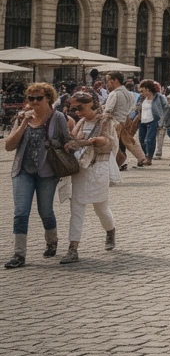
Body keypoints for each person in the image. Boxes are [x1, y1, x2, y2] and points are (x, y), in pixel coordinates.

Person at [5, 83, 70, 268]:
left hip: (47, 172)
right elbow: (9, 146)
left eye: (38, 98)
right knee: (20, 212)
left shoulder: (57, 118)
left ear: (48, 98)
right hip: (22, 171)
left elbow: (67, 141)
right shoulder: (22, 118)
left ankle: (52, 240)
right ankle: (19, 255)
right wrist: (24, 122)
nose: (34, 102)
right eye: (30, 98)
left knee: (45, 211)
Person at [57, 92, 118, 263]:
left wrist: (90, 141)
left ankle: (110, 230)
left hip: (98, 167)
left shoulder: (105, 121)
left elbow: (108, 142)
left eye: (80, 108)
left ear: (92, 104)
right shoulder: (81, 122)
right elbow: (73, 138)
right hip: (80, 168)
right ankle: (73, 247)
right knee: (76, 208)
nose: (77, 112)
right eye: (74, 108)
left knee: (101, 208)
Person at [103, 73, 148, 169]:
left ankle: (120, 163)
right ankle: (139, 158)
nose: (107, 84)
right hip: (126, 120)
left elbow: (108, 110)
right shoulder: (129, 94)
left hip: (115, 122)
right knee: (127, 141)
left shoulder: (114, 93)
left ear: (114, 80)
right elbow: (133, 107)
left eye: (108, 81)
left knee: (115, 144)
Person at [137, 81, 166, 166]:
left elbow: (165, 107)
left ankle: (149, 157)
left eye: (142, 91)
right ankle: (145, 155)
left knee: (149, 140)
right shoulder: (141, 98)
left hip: (153, 120)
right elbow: (137, 107)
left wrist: (162, 120)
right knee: (141, 140)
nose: (141, 93)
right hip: (142, 121)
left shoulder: (158, 97)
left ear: (148, 89)